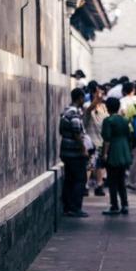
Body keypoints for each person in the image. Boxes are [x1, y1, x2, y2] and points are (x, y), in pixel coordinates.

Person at [59, 87, 90, 217]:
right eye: (83, 98)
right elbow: (77, 133)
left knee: (69, 179)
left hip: (66, 151)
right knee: (80, 179)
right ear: (80, 98)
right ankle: (75, 207)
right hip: (75, 153)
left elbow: (62, 131)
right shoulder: (74, 114)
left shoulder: (66, 111)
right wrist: (83, 150)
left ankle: (67, 206)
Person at [100, 97, 132, 215]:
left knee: (112, 181)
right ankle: (125, 204)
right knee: (121, 180)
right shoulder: (124, 120)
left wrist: (104, 154)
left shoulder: (108, 121)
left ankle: (114, 205)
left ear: (107, 107)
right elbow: (129, 136)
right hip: (124, 151)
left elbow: (107, 140)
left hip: (113, 152)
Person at [83, 82, 108, 196]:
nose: (101, 94)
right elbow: (89, 110)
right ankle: (85, 186)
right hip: (91, 140)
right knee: (89, 166)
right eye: (99, 91)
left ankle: (99, 185)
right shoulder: (87, 105)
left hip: (101, 140)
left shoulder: (103, 107)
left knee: (100, 165)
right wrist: (96, 99)